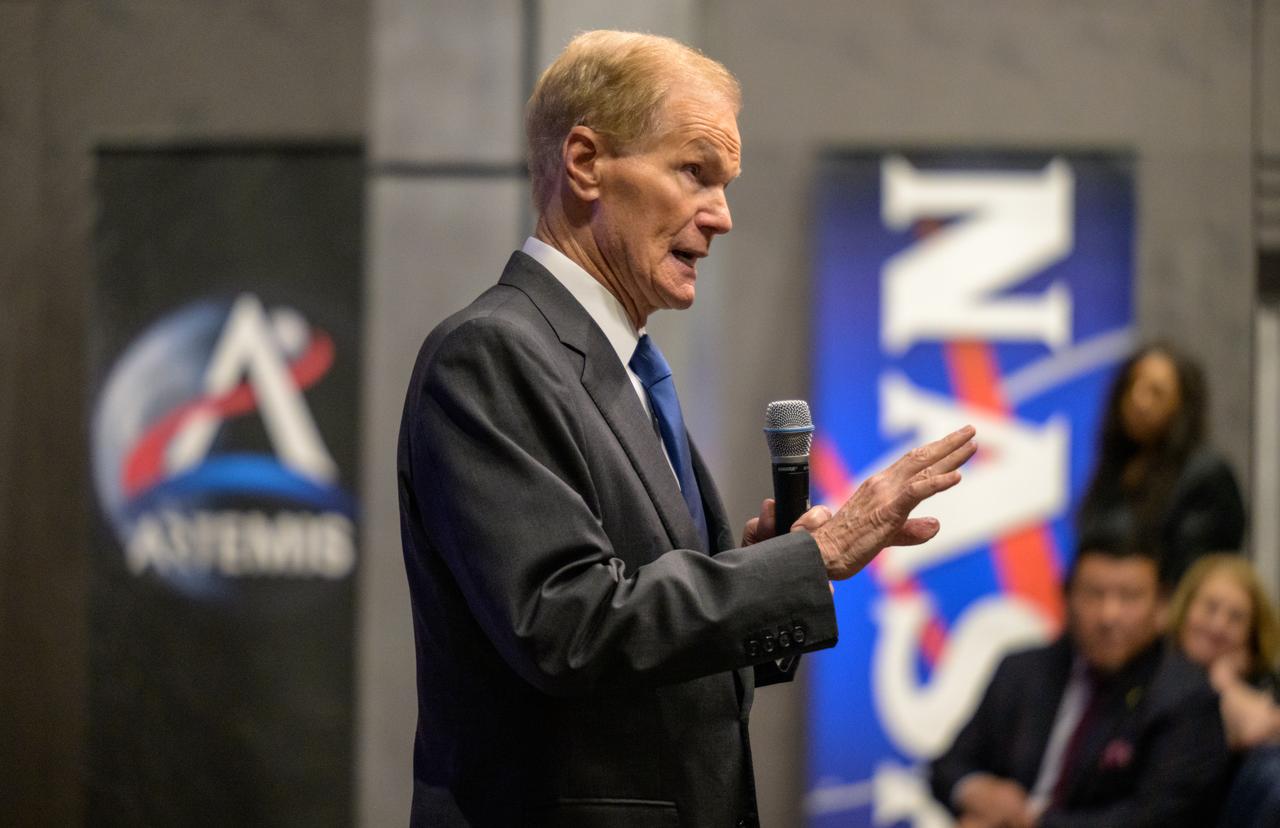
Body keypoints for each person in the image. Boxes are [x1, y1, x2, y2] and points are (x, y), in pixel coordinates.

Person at [397, 30, 977, 827]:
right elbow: (567, 626)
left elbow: (660, 667)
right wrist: (809, 561)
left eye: (725, 184)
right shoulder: (492, 353)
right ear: (586, 163)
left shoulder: (631, 369)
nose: (723, 216)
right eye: (694, 173)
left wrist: (766, 570)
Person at [930, 541, 1230, 828]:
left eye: (1129, 597)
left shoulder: (1185, 695)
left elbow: (1157, 818)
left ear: (1162, 605)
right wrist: (976, 791)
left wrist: (1027, 823)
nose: (1109, 615)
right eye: (1094, 594)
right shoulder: (1024, 669)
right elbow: (947, 766)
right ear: (1067, 596)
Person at [1077, 342, 1245, 587]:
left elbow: (1197, 576)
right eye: (1132, 386)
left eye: (1156, 392)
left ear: (1182, 404)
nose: (1138, 400)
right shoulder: (1115, 468)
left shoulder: (1206, 474)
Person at [1169, 553, 1280, 749]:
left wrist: (1225, 682)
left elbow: (1259, 727)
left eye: (1236, 617)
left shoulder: (1266, 682)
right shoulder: (1151, 666)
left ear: (1252, 633)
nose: (1219, 626)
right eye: (1210, 607)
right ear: (1186, 607)